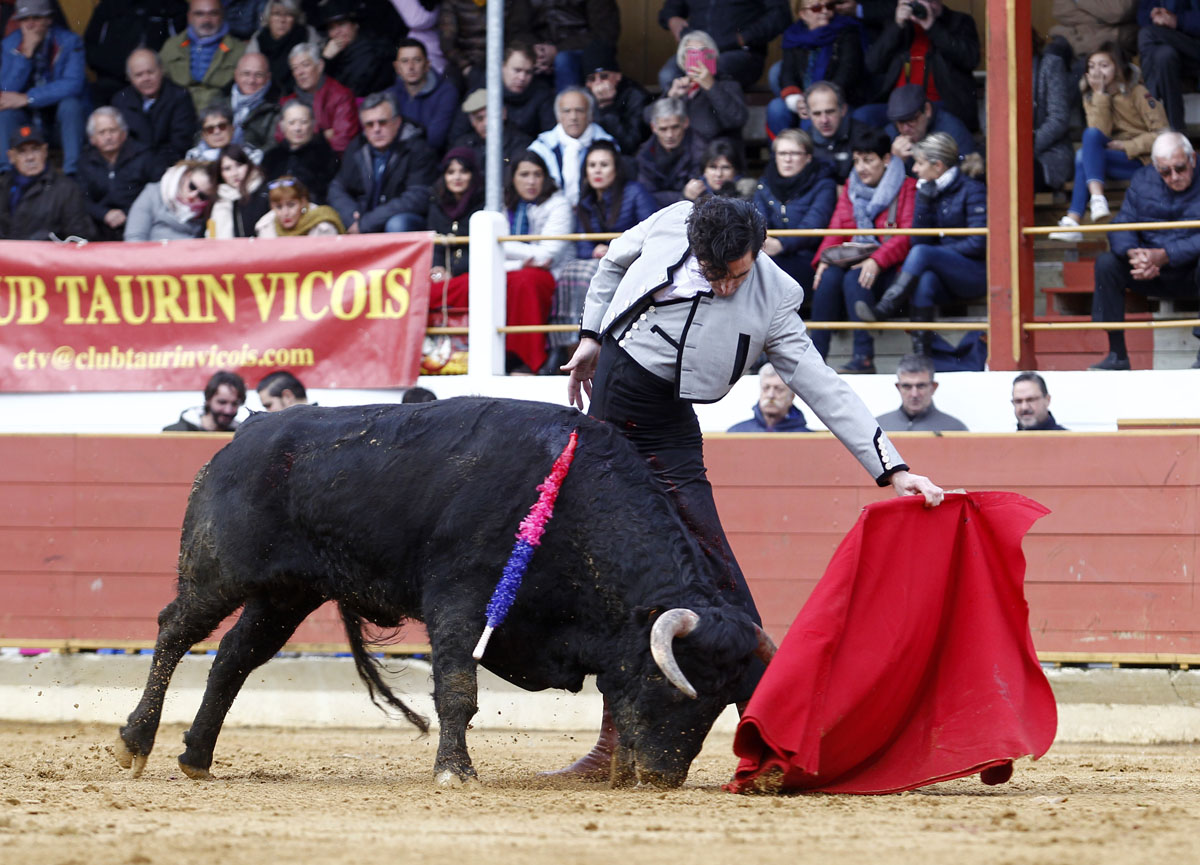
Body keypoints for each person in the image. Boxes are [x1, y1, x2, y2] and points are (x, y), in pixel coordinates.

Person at [557, 195, 944, 778]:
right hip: (609, 416)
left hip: (669, 432)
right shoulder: (671, 221)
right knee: (614, 580)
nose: (725, 288)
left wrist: (893, 468)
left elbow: (820, 383)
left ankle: (772, 742)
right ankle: (612, 747)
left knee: (722, 578)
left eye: (736, 273)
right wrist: (589, 335)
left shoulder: (776, 295)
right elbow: (612, 263)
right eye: (714, 274)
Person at [857, 131, 987, 358]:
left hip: (974, 273)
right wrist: (924, 202)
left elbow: (978, 243)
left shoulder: (972, 189)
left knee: (922, 254)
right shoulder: (927, 190)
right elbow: (919, 239)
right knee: (924, 280)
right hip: (943, 274)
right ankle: (922, 355)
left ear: (937, 166)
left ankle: (885, 308)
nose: (914, 169)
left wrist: (935, 254)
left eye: (919, 163)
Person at [1087, 131, 1200, 370]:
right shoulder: (1142, 179)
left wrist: (1167, 254)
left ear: (1193, 159)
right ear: (1156, 167)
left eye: (1180, 168)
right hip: (1151, 271)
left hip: (1192, 271)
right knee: (1107, 264)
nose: (1174, 177)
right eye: (1165, 172)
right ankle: (1117, 354)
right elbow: (1122, 224)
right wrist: (1134, 254)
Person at [542, 139, 656, 375]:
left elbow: (653, 233)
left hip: (632, 262)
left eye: (604, 165)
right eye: (592, 165)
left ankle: (592, 343)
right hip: (599, 262)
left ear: (616, 168)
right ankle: (568, 346)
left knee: (588, 273)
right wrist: (595, 251)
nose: (597, 170)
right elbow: (580, 243)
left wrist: (614, 248)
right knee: (572, 271)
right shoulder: (585, 200)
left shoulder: (635, 192)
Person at [810, 125, 917, 374]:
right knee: (828, 277)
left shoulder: (907, 187)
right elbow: (837, 226)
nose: (861, 168)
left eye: (868, 160)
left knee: (853, 278)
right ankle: (813, 360)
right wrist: (824, 260)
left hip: (892, 269)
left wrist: (877, 261)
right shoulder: (852, 187)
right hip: (859, 262)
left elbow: (908, 236)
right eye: (857, 160)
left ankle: (863, 359)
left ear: (887, 160)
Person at [1049, 42, 1169, 242]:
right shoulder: (1091, 95)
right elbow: (1100, 131)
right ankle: (1095, 200)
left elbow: (1163, 134)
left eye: (1104, 65)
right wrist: (1100, 95)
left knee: (1082, 155)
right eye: (1092, 66)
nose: (1097, 71)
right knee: (1089, 138)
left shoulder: (1138, 92)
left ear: (1118, 67)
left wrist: (1127, 146)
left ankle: (1075, 217)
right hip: (1107, 161)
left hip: (1142, 161)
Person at [862, 0, 982, 133]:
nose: (924, 5)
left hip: (939, 105)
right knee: (864, 116)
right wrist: (896, 26)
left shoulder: (959, 21)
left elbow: (971, 59)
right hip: (898, 108)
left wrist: (932, 27)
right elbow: (872, 64)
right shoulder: (901, 24)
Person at [502, 150, 572, 374]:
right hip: (511, 270)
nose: (531, 181)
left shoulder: (558, 204)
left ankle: (527, 360)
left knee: (526, 281)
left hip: (552, 274)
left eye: (537, 174)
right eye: (524, 175)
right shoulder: (504, 204)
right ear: (512, 178)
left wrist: (503, 247)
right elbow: (488, 256)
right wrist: (519, 262)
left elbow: (545, 257)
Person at [328, 91, 436, 234]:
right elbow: (337, 187)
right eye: (369, 125)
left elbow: (418, 197)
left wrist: (367, 223)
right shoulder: (357, 147)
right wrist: (351, 216)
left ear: (397, 122)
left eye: (382, 122)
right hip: (362, 220)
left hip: (402, 221)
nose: (376, 129)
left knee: (397, 224)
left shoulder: (417, 148)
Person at [0, 0, 87, 176]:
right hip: (27, 123)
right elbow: (5, 91)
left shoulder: (70, 41)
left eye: (36, 18)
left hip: (58, 122)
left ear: (49, 19)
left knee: (70, 105)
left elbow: (73, 84)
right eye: (24, 19)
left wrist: (29, 98)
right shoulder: (10, 44)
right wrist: (25, 54)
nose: (30, 24)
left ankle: (72, 173)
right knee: (5, 112)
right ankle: (6, 175)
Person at [752, 128, 838, 292]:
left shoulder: (824, 184)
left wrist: (782, 244)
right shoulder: (764, 184)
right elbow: (758, 220)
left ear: (808, 158)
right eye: (782, 154)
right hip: (770, 254)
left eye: (795, 154)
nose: (787, 160)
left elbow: (814, 225)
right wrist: (765, 241)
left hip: (808, 257)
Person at [766, 0, 865, 135]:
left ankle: (807, 154)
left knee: (812, 119)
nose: (825, 11)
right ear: (803, 14)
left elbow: (847, 73)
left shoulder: (846, 30)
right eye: (817, 8)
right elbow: (787, 73)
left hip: (836, 100)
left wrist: (817, 101)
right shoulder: (793, 35)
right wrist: (795, 101)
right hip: (804, 98)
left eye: (829, 6)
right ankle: (781, 153)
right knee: (776, 108)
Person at [656, 0, 792, 92]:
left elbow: (780, 16)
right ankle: (681, 130)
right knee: (668, 75)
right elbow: (670, 9)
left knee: (713, 70)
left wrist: (743, 37)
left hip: (740, 52)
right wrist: (672, 19)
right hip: (697, 51)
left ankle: (708, 131)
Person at [112, 48, 199, 179]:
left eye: (150, 72)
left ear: (161, 70)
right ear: (130, 78)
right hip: (130, 171)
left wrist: (150, 168)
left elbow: (180, 144)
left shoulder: (180, 97)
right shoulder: (120, 100)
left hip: (167, 170)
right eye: (139, 75)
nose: (146, 78)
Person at [83, 0, 188, 107]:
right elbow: (90, 48)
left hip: (160, 78)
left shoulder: (173, 6)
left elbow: (184, 45)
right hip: (115, 80)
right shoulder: (109, 5)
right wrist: (123, 70)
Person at [0, 124, 93, 240]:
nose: (30, 158)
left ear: (45, 151)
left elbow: (78, 238)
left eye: (35, 149)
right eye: (22, 152)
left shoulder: (66, 189)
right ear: (11, 156)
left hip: (49, 257)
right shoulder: (3, 187)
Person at [76, 107, 155, 241]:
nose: (108, 137)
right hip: (99, 224)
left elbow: (154, 195)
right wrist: (104, 214)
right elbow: (82, 199)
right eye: (102, 132)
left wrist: (126, 213)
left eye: (113, 130)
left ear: (123, 134)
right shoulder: (85, 161)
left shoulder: (144, 156)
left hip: (138, 221)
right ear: (92, 139)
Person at [529, 87, 616, 207]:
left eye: (579, 110)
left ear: (590, 115)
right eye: (566, 111)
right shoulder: (540, 147)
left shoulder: (607, 145)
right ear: (558, 117)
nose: (573, 117)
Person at [160, 0, 247, 114]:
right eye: (199, 14)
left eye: (213, 13)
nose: (206, 20)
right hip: (177, 116)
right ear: (189, 17)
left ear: (222, 15)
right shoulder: (172, 47)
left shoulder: (239, 50)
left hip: (221, 118)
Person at [663, 31, 749, 146]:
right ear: (683, 61)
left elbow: (737, 119)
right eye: (692, 54)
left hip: (713, 157)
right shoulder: (677, 86)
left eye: (704, 53)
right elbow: (649, 117)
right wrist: (671, 97)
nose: (699, 59)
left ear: (713, 57)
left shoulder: (728, 85)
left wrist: (711, 86)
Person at [425, 147, 485, 309]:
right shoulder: (437, 202)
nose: (457, 177)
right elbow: (435, 243)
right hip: (442, 275)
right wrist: (437, 270)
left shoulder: (483, 203)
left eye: (464, 171)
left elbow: (481, 249)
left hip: (473, 275)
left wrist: (453, 273)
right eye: (450, 172)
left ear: (473, 174)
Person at [515, 0, 620, 92]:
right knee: (519, 60)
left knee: (564, 60)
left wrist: (557, 50)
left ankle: (570, 109)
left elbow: (605, 32)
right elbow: (517, 29)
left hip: (581, 52)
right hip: (539, 53)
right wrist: (537, 50)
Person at [281, 42, 360, 155]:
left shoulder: (341, 96)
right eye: (295, 68)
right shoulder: (287, 102)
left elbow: (343, 141)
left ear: (320, 66)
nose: (300, 72)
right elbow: (281, 139)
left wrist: (301, 138)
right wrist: (322, 136)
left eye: (305, 65)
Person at [883, 83, 976, 174]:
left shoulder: (953, 131)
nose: (905, 128)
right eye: (900, 122)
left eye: (911, 120)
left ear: (927, 110)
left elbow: (966, 174)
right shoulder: (891, 132)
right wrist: (894, 162)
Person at [581, 40, 651, 157]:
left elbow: (629, 145)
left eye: (604, 76)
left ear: (618, 76)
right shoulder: (583, 97)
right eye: (592, 79)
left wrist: (607, 107)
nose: (598, 83)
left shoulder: (636, 96)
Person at [1138, 0, 1200, 132]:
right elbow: (1140, 15)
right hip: (1169, 48)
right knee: (1164, 56)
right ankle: (1176, 133)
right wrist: (1153, 16)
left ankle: (1152, 121)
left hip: (1194, 49)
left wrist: (1177, 21)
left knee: (1146, 34)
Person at [390, 37, 459, 155]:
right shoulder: (390, 95)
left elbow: (435, 140)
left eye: (417, 60)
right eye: (405, 61)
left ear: (427, 64)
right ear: (397, 68)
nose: (411, 67)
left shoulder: (446, 93)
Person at [260, 101, 339, 202]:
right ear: (282, 126)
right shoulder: (271, 157)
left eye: (304, 122)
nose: (298, 128)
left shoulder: (326, 156)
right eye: (291, 123)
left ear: (313, 124)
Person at [124, 159, 219, 241]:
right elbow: (134, 237)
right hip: (151, 258)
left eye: (202, 196)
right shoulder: (153, 193)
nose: (193, 195)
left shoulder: (206, 210)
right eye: (192, 186)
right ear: (186, 175)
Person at [636, 97, 707, 207]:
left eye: (675, 127)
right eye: (663, 129)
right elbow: (645, 196)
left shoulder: (701, 149)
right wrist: (682, 195)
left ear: (686, 123)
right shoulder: (645, 154)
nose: (669, 135)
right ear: (653, 127)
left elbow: (701, 192)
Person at [448, 88, 534, 178]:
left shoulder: (521, 144)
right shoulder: (463, 146)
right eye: (479, 118)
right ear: (472, 123)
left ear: (503, 113)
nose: (486, 123)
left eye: (491, 116)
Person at [319, 0, 396, 98]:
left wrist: (326, 62)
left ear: (355, 25)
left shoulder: (370, 51)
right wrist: (326, 59)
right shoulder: (331, 54)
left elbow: (349, 93)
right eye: (331, 28)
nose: (337, 32)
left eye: (342, 24)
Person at [875, 354, 968, 432]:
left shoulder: (955, 430)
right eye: (907, 386)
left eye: (921, 386)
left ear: (934, 387)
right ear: (898, 387)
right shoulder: (878, 427)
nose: (914, 394)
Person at [804, 81, 874, 184]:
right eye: (817, 114)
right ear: (808, 114)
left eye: (830, 112)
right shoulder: (803, 143)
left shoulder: (865, 136)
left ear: (843, 110)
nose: (824, 120)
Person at [246, 0, 319, 95]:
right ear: (269, 18)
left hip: (302, 95)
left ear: (295, 18)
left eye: (288, 14)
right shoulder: (259, 39)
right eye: (276, 14)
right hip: (263, 95)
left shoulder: (306, 34)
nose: (282, 20)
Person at [1033, 31, 1075, 192]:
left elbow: (1059, 118)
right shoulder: (998, 68)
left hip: (1048, 153)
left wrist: (1026, 147)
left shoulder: (1050, 64)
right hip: (1007, 154)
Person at [207, 143, 269, 237]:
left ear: (249, 165)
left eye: (239, 165)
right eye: (227, 169)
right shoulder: (217, 200)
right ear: (220, 174)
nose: (235, 173)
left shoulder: (264, 194)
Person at [727, 363, 811, 432]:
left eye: (779, 389)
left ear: (792, 397)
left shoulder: (808, 440)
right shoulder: (736, 434)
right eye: (766, 388)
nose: (771, 395)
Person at [255, 174, 345, 236]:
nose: (285, 213)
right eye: (279, 207)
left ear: (303, 202)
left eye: (291, 205)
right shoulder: (265, 228)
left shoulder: (323, 226)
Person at [227, 52, 281, 153]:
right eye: (246, 74)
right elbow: (202, 134)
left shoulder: (276, 107)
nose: (251, 80)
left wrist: (251, 159)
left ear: (268, 77)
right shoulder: (220, 100)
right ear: (236, 75)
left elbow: (273, 144)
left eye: (258, 75)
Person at [163, 370, 246, 431]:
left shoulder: (241, 437)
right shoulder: (174, 433)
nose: (228, 410)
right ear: (208, 399)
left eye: (235, 404)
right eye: (222, 402)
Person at [186, 102, 261, 163]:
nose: (217, 132)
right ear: (203, 135)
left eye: (222, 126)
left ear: (232, 128)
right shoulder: (193, 157)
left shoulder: (249, 153)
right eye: (210, 129)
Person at [682, 137, 755, 201]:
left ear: (736, 170)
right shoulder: (693, 193)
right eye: (713, 167)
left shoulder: (747, 193)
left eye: (726, 167)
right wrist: (687, 198)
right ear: (704, 170)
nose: (719, 174)